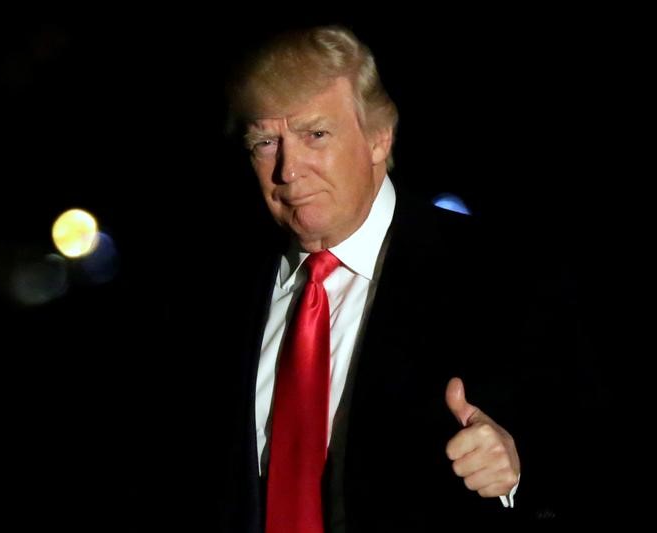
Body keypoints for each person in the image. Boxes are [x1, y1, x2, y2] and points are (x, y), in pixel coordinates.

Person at [204, 24, 596, 532]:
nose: (288, 169)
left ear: (378, 138)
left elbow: (589, 459)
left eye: (314, 135)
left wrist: (518, 473)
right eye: (265, 141)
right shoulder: (217, 292)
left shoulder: (505, 275)